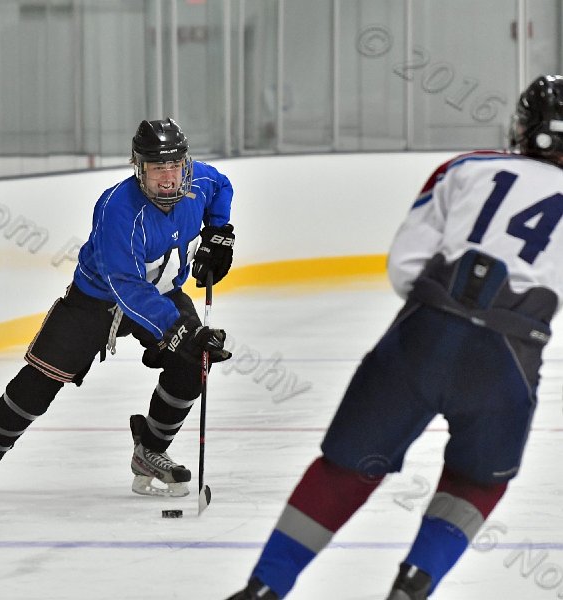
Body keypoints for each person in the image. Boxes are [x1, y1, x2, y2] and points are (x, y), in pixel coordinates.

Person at [226, 74, 563, 600]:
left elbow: (405, 267)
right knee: (479, 479)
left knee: (347, 467)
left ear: (522, 127)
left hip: (421, 336)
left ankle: (263, 589)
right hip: (507, 359)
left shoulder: (466, 168)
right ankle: (411, 588)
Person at [0, 118, 235, 498]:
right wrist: (176, 328)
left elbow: (223, 187)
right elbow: (125, 285)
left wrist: (218, 232)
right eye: (157, 168)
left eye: (174, 166)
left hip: (159, 293)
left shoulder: (202, 182)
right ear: (138, 169)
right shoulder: (117, 209)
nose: (167, 178)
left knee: (195, 360)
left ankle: (150, 452)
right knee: (40, 379)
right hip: (96, 298)